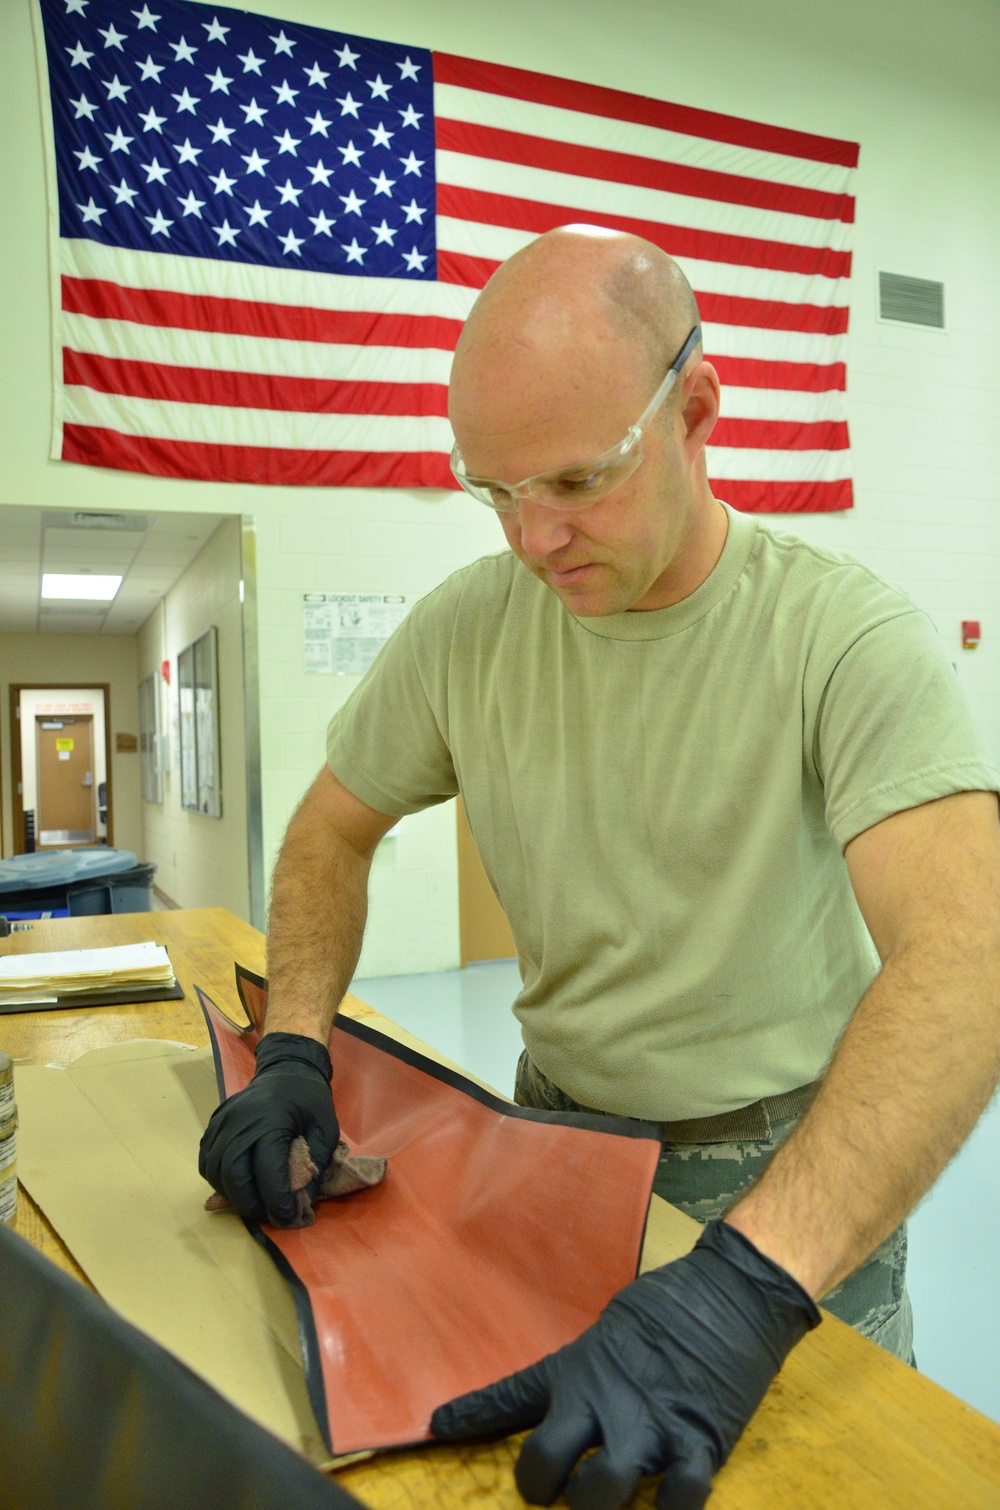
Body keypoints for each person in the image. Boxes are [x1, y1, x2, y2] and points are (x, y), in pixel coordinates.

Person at [200, 226, 1000, 1509]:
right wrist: (295, 1043)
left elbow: (967, 958)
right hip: (553, 1136)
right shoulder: (472, 626)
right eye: (496, 491)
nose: (533, 540)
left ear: (694, 411)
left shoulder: (840, 639)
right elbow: (331, 828)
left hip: (786, 1172)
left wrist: (751, 1283)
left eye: (577, 481)